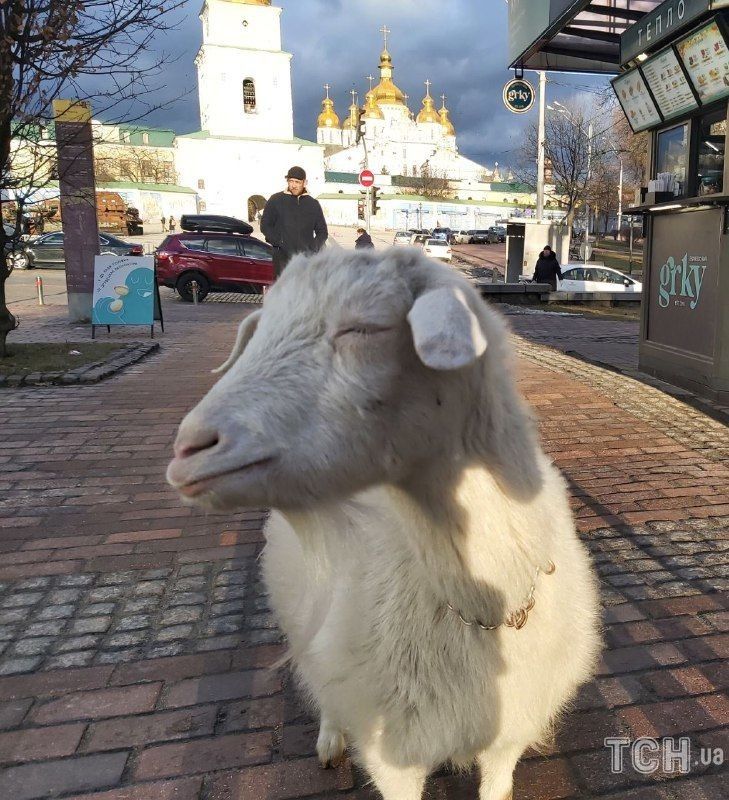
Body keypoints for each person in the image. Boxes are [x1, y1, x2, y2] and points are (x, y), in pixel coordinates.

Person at [261, 166, 328, 276]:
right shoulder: (276, 200)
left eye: (297, 182)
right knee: (284, 291)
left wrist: (313, 248)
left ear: (304, 182)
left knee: (304, 291)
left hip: (306, 260)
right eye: (291, 181)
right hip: (282, 258)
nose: (293, 185)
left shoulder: (313, 204)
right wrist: (278, 241)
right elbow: (265, 225)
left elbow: (322, 232)